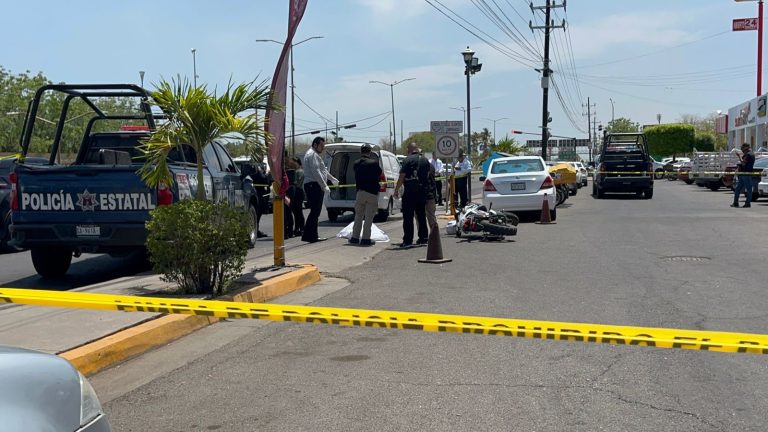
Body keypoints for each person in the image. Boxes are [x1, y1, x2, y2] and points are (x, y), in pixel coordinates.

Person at [394, 142, 432, 247]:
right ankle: (424, 238)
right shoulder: (425, 160)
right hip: (422, 192)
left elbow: (402, 176)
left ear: (410, 150)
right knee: (421, 216)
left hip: (410, 192)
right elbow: (428, 175)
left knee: (408, 217)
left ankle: (408, 240)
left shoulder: (407, 160)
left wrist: (396, 190)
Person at [302, 137, 338, 243]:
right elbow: (316, 172)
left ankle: (308, 235)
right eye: (321, 145)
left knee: (314, 212)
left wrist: (332, 179)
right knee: (315, 212)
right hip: (314, 185)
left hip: (315, 185)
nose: (323, 148)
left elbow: (323, 171)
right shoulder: (312, 154)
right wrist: (324, 185)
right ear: (315, 145)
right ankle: (312, 236)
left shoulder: (315, 155)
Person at [349, 144, 382, 246]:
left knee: (358, 216)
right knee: (368, 218)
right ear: (370, 152)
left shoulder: (356, 163)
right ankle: (365, 239)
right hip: (372, 193)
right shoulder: (374, 163)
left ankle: (355, 237)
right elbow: (379, 173)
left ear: (361, 152)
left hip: (360, 193)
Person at [284, 155, 305, 238]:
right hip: (298, 192)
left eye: (293, 162)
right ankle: (298, 228)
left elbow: (296, 183)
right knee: (297, 212)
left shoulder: (298, 172)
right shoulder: (299, 171)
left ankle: (300, 228)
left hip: (298, 192)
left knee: (298, 212)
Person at [732, 143, 755, 208]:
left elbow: (743, 163)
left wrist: (739, 156)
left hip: (746, 174)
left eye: (743, 147)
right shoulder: (751, 154)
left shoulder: (748, 154)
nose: (742, 149)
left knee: (747, 189)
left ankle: (746, 203)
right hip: (744, 174)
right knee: (739, 188)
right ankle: (736, 203)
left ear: (746, 148)